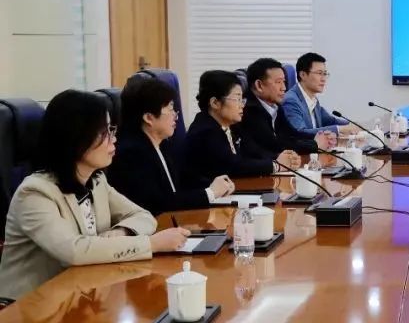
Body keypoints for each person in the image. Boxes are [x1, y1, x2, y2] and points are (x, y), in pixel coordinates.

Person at [0, 90, 190, 300]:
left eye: (112, 130)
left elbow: (143, 216)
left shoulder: (96, 181)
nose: (114, 139)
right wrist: (151, 244)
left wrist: (119, 233)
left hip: (80, 294)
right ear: (76, 137)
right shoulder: (35, 193)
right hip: (30, 305)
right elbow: (74, 251)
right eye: (105, 132)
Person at [108, 77, 235, 216]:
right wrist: (210, 193)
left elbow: (182, 181)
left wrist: (217, 185)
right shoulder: (130, 153)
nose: (176, 116)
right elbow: (158, 203)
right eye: (170, 109)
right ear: (149, 118)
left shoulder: (162, 143)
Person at [186, 70, 302, 179]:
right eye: (237, 99)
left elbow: (252, 152)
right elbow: (234, 167)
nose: (242, 105)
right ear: (215, 103)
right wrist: (277, 165)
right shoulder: (206, 131)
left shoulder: (230, 125)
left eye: (242, 100)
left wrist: (283, 158)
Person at [239, 58, 334, 160]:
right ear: (259, 85)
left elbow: (292, 134)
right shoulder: (249, 110)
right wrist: (315, 144)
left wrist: (319, 137)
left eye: (284, 82)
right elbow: (276, 145)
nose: (284, 88)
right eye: (278, 82)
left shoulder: (276, 106)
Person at [281, 52, 358, 136]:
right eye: (319, 73)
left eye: (325, 74)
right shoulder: (291, 101)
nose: (323, 79)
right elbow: (300, 132)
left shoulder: (313, 100)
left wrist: (356, 126)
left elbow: (331, 121)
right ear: (303, 75)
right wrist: (340, 129)